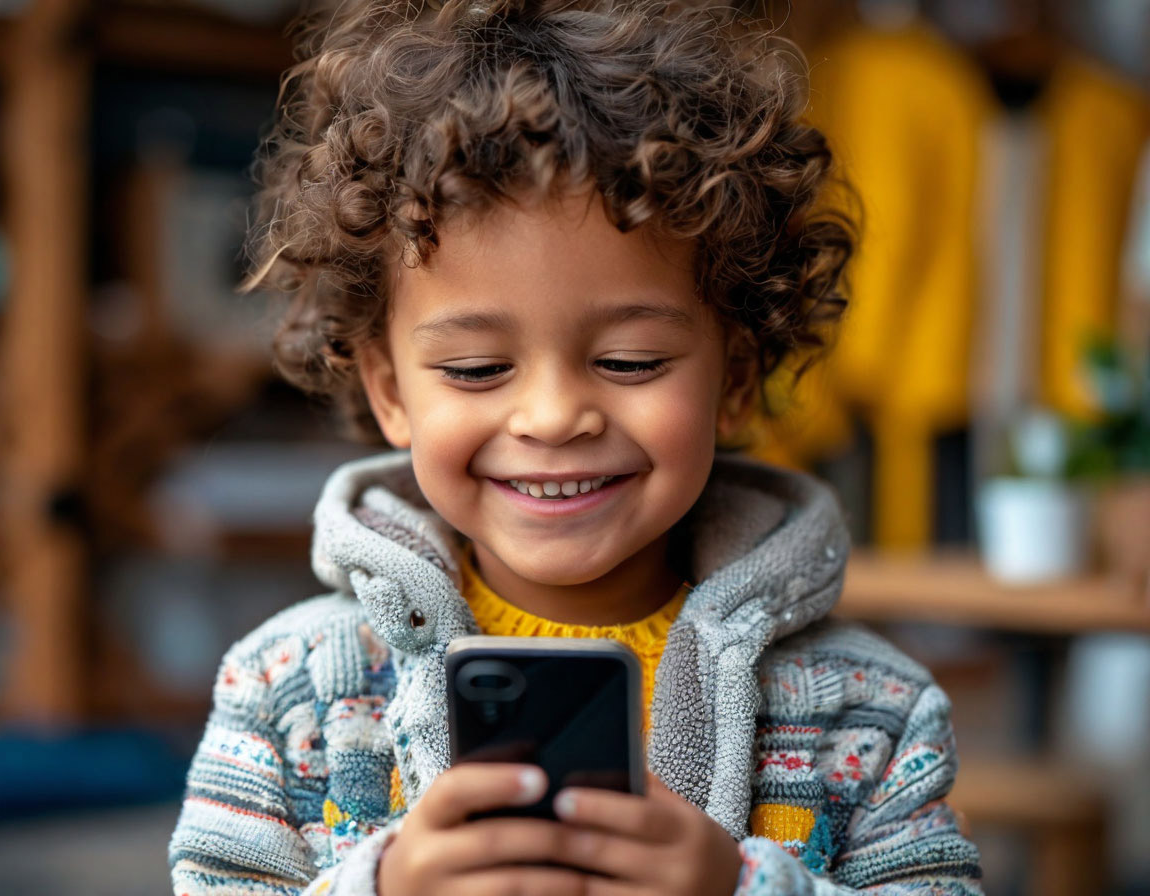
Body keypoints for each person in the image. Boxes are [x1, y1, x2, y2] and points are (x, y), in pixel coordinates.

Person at [169, 0, 984, 893]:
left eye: (629, 360)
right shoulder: (292, 691)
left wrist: (739, 887)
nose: (554, 416)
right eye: (479, 368)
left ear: (738, 377)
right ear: (390, 388)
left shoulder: (871, 712)